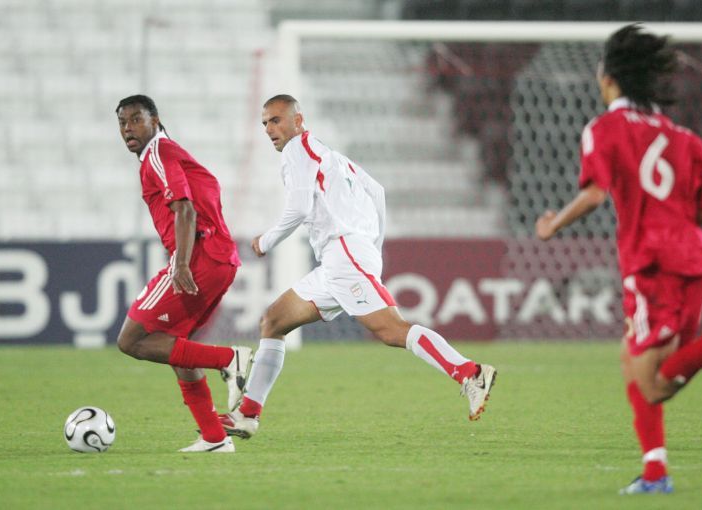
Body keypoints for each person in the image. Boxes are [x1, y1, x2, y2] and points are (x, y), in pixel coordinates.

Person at [534, 24, 702, 494]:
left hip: (650, 263)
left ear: (608, 79)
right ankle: (655, 473)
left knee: (653, 383)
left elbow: (594, 195)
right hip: (693, 257)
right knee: (637, 362)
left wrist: (552, 225)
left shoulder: (604, 128)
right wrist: (676, 220)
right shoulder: (683, 136)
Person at [216, 94, 497, 439]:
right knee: (273, 321)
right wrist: (372, 249)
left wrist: (267, 240)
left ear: (298, 120)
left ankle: (469, 372)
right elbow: (377, 193)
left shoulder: (296, 149)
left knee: (391, 330)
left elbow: (300, 208)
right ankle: (247, 415)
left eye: (276, 120)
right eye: (264, 123)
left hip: (344, 252)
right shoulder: (330, 155)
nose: (269, 129)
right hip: (344, 256)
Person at [115, 94, 253, 453]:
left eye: (136, 119)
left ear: (155, 120)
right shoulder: (169, 154)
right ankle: (214, 437)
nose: (128, 128)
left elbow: (185, 210)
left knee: (131, 340)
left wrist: (180, 263)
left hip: (198, 257)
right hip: (219, 258)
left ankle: (229, 359)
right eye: (122, 122)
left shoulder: (158, 153)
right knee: (177, 347)